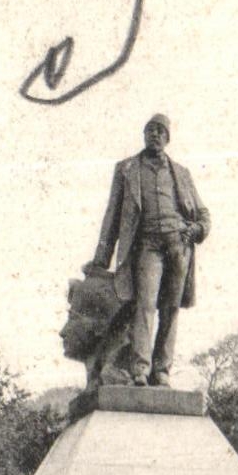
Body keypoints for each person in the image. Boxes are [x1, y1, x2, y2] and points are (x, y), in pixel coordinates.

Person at [91, 114, 210, 386]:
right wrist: (102, 257)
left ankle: (162, 369)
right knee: (145, 305)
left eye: (160, 131)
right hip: (147, 245)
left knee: (171, 308)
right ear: (143, 135)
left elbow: (203, 213)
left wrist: (198, 229)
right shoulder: (127, 169)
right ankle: (140, 369)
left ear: (168, 138)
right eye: (150, 130)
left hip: (178, 244)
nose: (154, 135)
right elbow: (112, 216)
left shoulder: (181, 173)